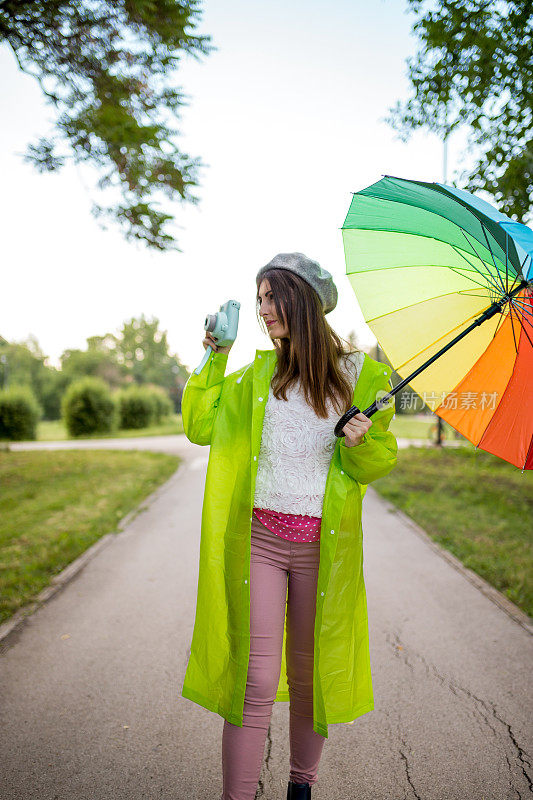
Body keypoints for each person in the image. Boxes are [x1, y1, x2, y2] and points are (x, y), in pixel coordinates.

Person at [180, 252, 398, 800]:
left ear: (302, 300)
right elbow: (199, 426)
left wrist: (362, 439)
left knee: (309, 681)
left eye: (272, 296)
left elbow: (374, 465)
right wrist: (215, 354)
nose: (263, 309)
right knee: (253, 682)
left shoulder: (361, 377)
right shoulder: (257, 375)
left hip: (323, 550)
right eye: (259, 299)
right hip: (261, 541)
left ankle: (301, 785)